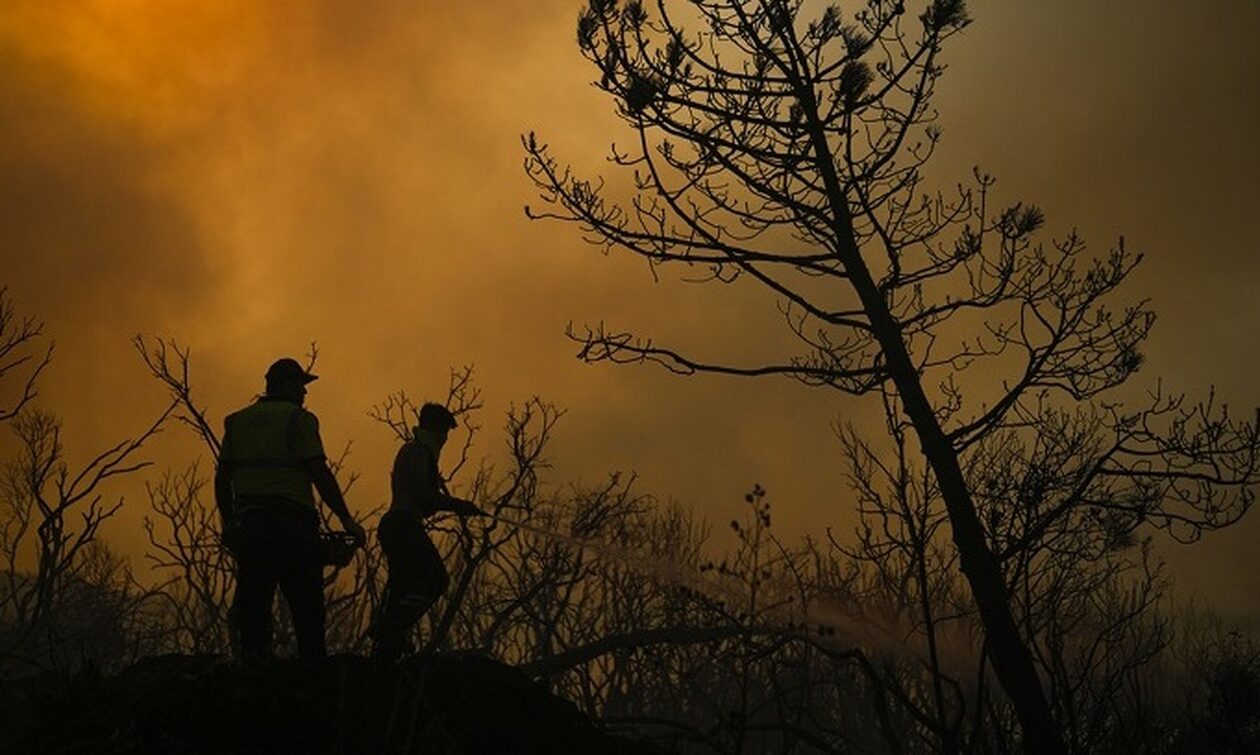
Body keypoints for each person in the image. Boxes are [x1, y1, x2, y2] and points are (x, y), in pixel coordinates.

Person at [214, 357, 366, 664]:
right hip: (293, 526)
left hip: (252, 528)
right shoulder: (300, 420)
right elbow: (318, 472)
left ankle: (255, 674)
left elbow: (222, 478)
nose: (304, 393)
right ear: (285, 385)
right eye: (301, 385)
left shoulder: (237, 421)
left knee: (254, 606)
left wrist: (229, 523)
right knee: (307, 607)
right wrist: (346, 519)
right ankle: (313, 674)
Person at [371, 402, 482, 660]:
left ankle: (385, 654)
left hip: (398, 525)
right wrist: (457, 505)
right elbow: (422, 495)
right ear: (435, 429)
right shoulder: (418, 450)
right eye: (444, 432)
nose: (445, 439)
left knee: (402, 589)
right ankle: (388, 628)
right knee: (435, 579)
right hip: (402, 525)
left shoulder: (417, 452)